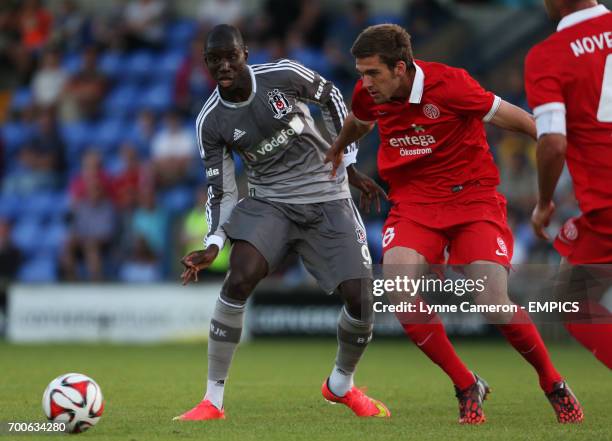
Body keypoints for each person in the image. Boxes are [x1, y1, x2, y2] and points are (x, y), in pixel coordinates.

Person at [325, 24, 583, 424]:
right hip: (414, 203)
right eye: (361, 73)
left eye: (372, 73)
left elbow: (509, 116)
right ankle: (466, 384)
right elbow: (360, 121)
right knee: (398, 292)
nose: (365, 83)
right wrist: (340, 148)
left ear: (400, 67)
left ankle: (552, 382)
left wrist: (559, 145)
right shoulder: (369, 94)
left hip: (473, 199)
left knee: (492, 302)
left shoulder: (451, 84)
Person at [174, 25, 389, 422]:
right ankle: (212, 401)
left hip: (327, 194)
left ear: (245, 54)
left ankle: (341, 384)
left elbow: (334, 97)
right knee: (238, 278)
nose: (223, 65)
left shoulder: (284, 75)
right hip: (270, 201)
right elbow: (222, 190)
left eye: (230, 56)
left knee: (361, 298)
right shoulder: (211, 121)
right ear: (205, 63)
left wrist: (350, 159)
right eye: (214, 59)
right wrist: (214, 243)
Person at [524, 0, 612, 369]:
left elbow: (554, 142)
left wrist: (544, 201)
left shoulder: (549, 56)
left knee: (573, 299)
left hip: (607, 201)